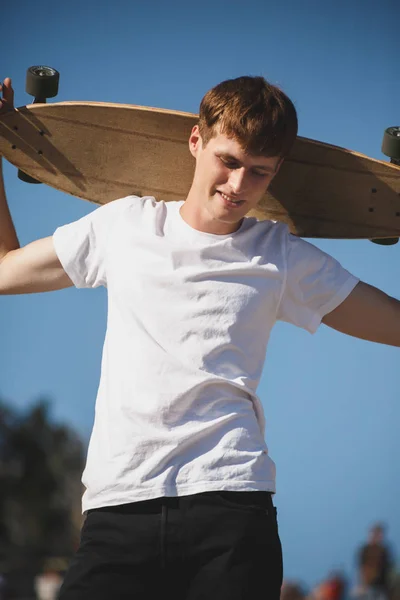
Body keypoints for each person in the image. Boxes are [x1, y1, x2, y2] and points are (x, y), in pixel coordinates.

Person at [0, 74, 399, 600]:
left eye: (259, 173)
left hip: (232, 510)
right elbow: (5, 271)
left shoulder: (280, 256)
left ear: (276, 173)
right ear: (196, 141)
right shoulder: (124, 227)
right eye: (228, 161)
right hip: (120, 507)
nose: (238, 185)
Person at [356, 524, 394, 599]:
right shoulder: (365, 550)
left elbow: (388, 569)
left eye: (379, 534)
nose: (378, 537)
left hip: (382, 586)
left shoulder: (384, 550)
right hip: (368, 586)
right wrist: (362, 585)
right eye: (375, 534)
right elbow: (361, 568)